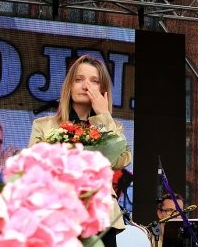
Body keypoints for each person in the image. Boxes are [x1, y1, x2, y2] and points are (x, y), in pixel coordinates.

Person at [29, 54, 132, 247]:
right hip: (59, 214)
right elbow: (33, 169)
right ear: (69, 86)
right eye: (79, 79)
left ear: (102, 90)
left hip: (101, 217)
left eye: (94, 81)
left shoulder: (112, 126)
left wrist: (103, 115)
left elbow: (121, 160)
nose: (86, 86)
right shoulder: (43, 125)